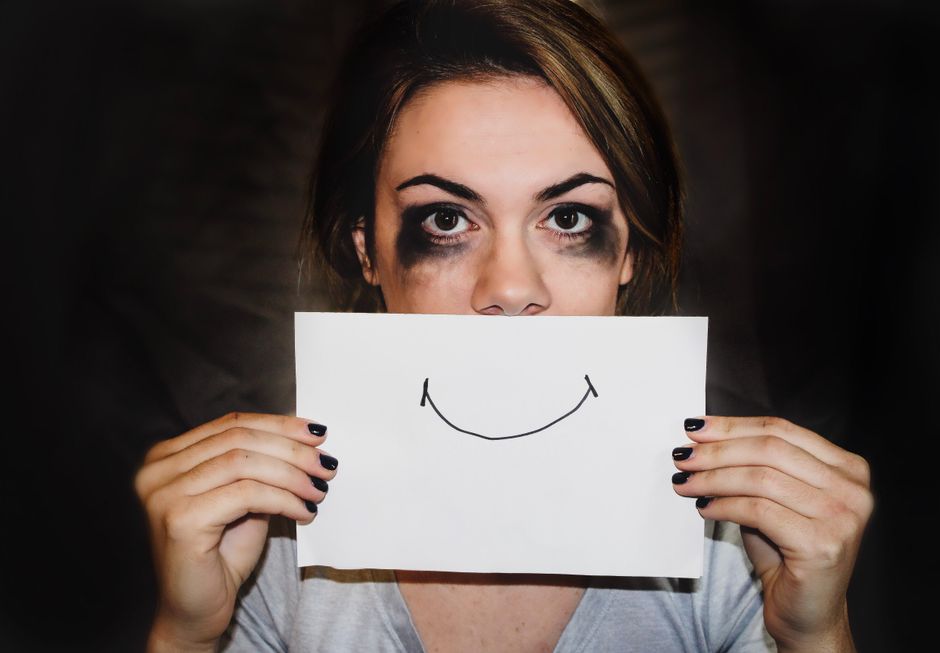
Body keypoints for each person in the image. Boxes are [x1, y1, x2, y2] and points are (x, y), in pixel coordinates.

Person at [134, 1, 873, 651]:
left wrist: (814, 636)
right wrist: (187, 635)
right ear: (368, 249)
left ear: (631, 254)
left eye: (569, 218)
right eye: (447, 219)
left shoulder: (737, 546)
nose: (511, 287)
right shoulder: (269, 547)